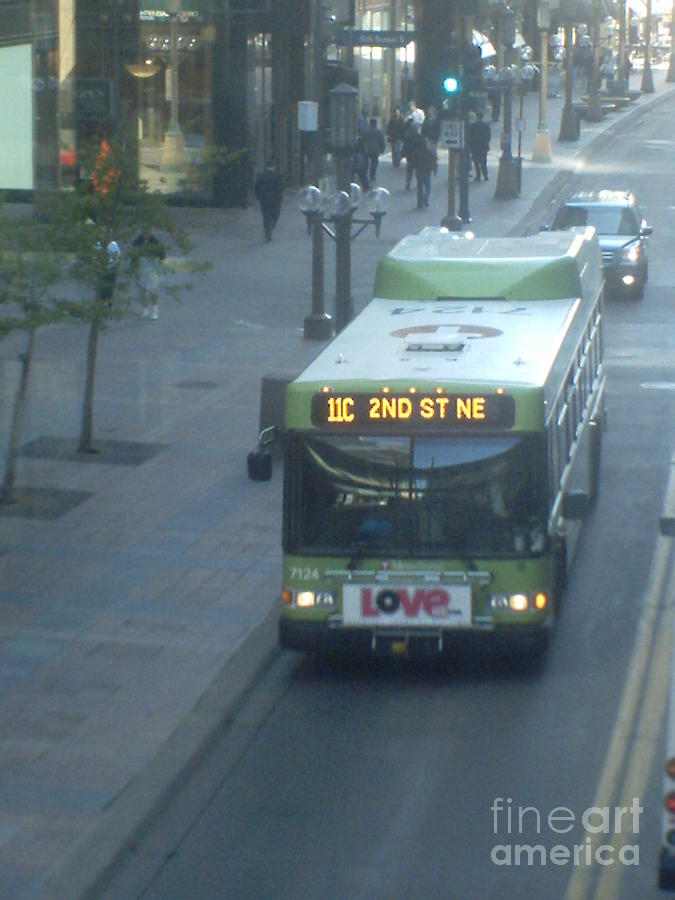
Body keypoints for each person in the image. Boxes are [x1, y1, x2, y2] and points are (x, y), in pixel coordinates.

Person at [131, 230, 166, 320]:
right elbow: (133, 256)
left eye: (147, 233)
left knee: (153, 290)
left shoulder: (156, 243)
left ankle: (155, 309)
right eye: (144, 233)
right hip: (140, 269)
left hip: (152, 269)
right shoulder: (136, 242)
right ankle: (145, 310)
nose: (145, 235)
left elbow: (162, 256)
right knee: (142, 291)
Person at [254, 161, 284, 242]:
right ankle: (271, 227)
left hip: (264, 199)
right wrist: (280, 199)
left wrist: (258, 197)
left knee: (266, 216)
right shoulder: (277, 176)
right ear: (273, 166)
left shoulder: (261, 176)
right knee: (274, 215)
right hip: (275, 200)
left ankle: (267, 232)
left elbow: (256, 188)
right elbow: (280, 189)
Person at [411, 130, 434, 208]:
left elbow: (413, 161)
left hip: (419, 171)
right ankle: (426, 198)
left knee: (419, 186)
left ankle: (419, 201)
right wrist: (433, 168)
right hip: (427, 171)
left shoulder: (416, 152)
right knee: (428, 186)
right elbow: (433, 161)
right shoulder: (429, 152)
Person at [469, 110, 491, 182]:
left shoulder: (472, 126)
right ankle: (485, 176)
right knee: (483, 161)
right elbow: (488, 136)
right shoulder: (486, 125)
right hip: (483, 146)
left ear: (476, 117)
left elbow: (470, 136)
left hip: (475, 146)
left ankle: (478, 175)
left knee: (476, 162)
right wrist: (486, 143)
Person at [362, 117, 385, 183]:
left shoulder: (366, 131)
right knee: (374, 163)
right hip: (375, 150)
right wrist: (382, 149)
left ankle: (365, 174)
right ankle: (372, 175)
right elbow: (382, 141)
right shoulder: (378, 131)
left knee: (366, 163)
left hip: (367, 149)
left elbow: (363, 140)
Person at [421, 105, 441, 174]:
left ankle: (434, 167)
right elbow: (423, 128)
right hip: (427, 137)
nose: (429, 112)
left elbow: (438, 129)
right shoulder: (426, 119)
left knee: (433, 153)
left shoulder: (437, 120)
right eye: (429, 111)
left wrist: (437, 138)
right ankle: (428, 166)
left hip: (433, 138)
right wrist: (422, 136)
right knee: (427, 152)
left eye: (431, 111)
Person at [401, 119, 418, 191]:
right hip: (416, 154)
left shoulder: (407, 135)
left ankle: (408, 183)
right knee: (417, 169)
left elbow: (404, 145)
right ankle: (418, 183)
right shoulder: (417, 136)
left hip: (409, 155)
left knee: (409, 170)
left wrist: (403, 153)